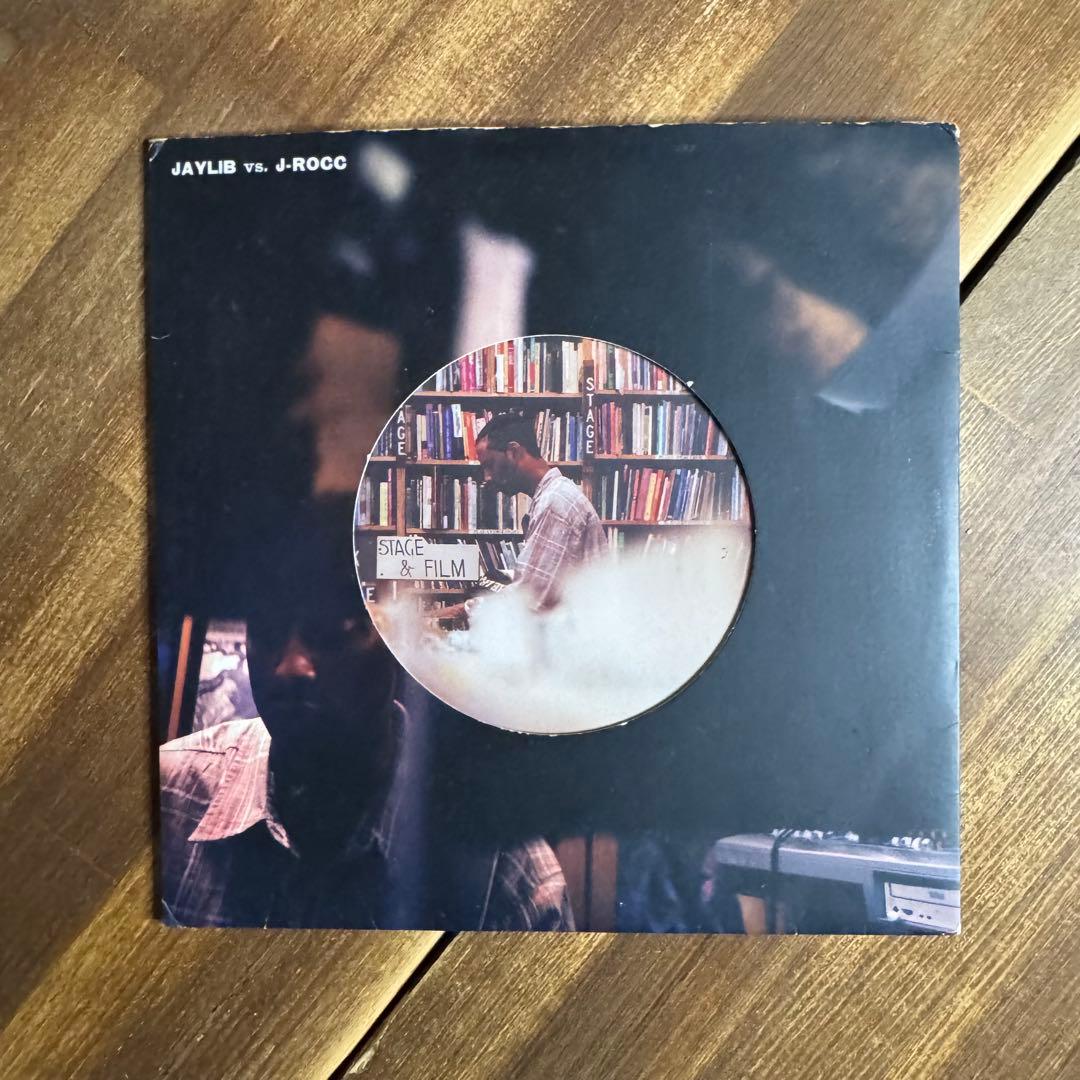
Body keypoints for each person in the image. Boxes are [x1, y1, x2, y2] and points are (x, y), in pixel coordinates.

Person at [158, 516, 574, 929]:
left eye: (334, 632)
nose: (290, 667)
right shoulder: (168, 799)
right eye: (267, 633)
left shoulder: (507, 873)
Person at [440, 412, 606, 625]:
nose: (487, 477)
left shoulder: (555, 502)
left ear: (513, 452)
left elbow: (529, 600)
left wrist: (455, 613)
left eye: (490, 464)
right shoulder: (552, 495)